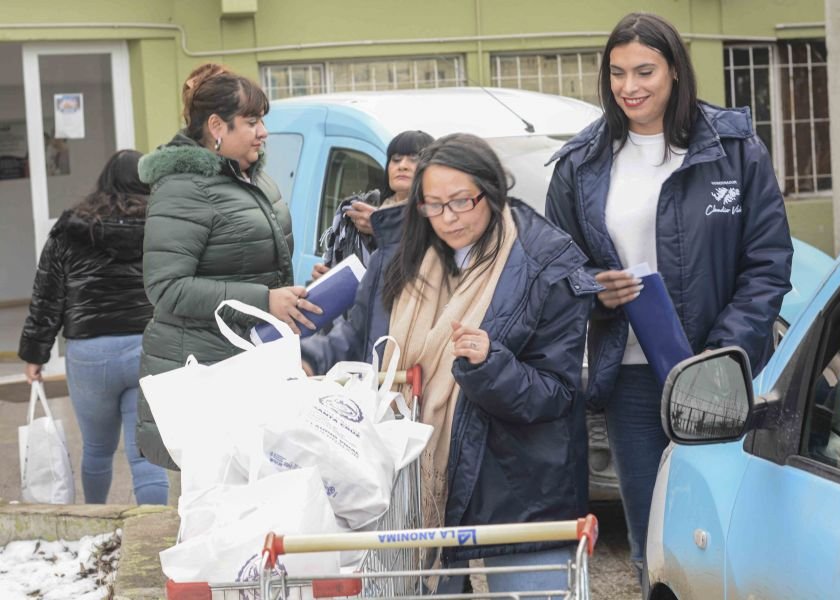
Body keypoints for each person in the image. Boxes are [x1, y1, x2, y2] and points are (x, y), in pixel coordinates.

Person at [545, 12, 793, 580]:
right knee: (652, 541)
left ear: (675, 70)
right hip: (631, 379)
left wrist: (723, 354)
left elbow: (768, 263)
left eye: (644, 71)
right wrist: (594, 290)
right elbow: (557, 270)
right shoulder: (581, 164)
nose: (629, 87)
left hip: (722, 373)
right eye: (617, 73)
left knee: (725, 532)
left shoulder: (734, 148)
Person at [302, 133, 599, 595]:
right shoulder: (399, 253)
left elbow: (557, 392)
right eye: (434, 205)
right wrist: (306, 360)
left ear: (492, 190)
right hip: (410, 488)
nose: (448, 218)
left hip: (518, 489)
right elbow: (358, 342)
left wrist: (489, 365)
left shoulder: (544, 263)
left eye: (462, 201)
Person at [136, 63, 316, 470]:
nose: (263, 132)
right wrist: (264, 301)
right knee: (211, 500)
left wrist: (296, 291)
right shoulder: (183, 188)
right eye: (252, 122)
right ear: (217, 126)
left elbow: (260, 266)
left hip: (253, 366)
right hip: (205, 375)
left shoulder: (253, 180)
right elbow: (166, 287)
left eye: (262, 120)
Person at [18, 149, 169, 505]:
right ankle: (154, 533)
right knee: (145, 454)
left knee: (98, 450)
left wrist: (35, 354)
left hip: (90, 353)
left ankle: (94, 524)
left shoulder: (72, 226)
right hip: (148, 347)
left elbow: (48, 294)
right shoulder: (163, 224)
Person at [312, 129, 434, 281]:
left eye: (414, 159)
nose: (402, 165)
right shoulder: (358, 208)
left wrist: (383, 228)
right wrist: (326, 278)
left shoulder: (435, 216)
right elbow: (337, 263)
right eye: (396, 159)